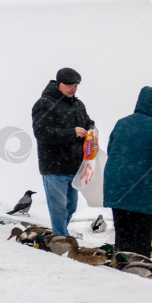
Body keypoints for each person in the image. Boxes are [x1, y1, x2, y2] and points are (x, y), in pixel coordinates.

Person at [103, 86, 152, 256]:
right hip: (139, 189)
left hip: (115, 187)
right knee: (140, 242)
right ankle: (138, 275)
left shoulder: (121, 123)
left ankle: (121, 268)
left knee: (123, 236)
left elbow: (111, 150)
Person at [32, 68, 94, 237]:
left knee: (71, 206)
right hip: (53, 166)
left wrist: (92, 131)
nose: (72, 89)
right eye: (68, 85)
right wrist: (71, 132)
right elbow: (41, 133)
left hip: (75, 167)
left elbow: (89, 123)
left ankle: (59, 235)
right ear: (58, 83)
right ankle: (60, 237)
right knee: (59, 207)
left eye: (75, 85)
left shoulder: (78, 105)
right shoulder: (44, 104)